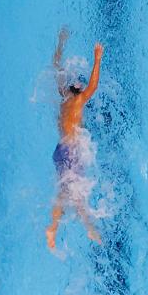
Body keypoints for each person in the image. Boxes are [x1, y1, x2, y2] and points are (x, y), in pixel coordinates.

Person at [46, 30, 104, 249]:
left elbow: (56, 66)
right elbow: (94, 86)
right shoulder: (78, 101)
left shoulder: (64, 99)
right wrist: (97, 59)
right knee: (69, 191)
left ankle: (88, 228)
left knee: (72, 190)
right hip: (71, 151)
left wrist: (60, 41)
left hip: (60, 149)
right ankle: (53, 227)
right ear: (77, 88)